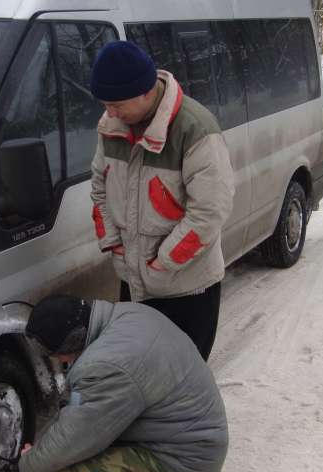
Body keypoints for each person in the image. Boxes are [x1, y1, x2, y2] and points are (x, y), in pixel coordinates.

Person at [19, 294, 228, 472]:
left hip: (185, 459)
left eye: (54, 354)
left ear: (71, 343)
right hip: (191, 438)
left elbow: (74, 438)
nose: (56, 361)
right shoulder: (126, 315)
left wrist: (30, 466)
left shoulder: (106, 365)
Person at [88, 41, 234, 361]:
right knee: (139, 375)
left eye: (116, 104)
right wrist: (114, 244)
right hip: (133, 282)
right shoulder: (112, 126)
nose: (109, 113)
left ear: (144, 91)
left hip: (185, 289)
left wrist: (159, 265)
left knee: (182, 380)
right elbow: (99, 187)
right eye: (105, 104)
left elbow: (209, 213)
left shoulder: (195, 130)